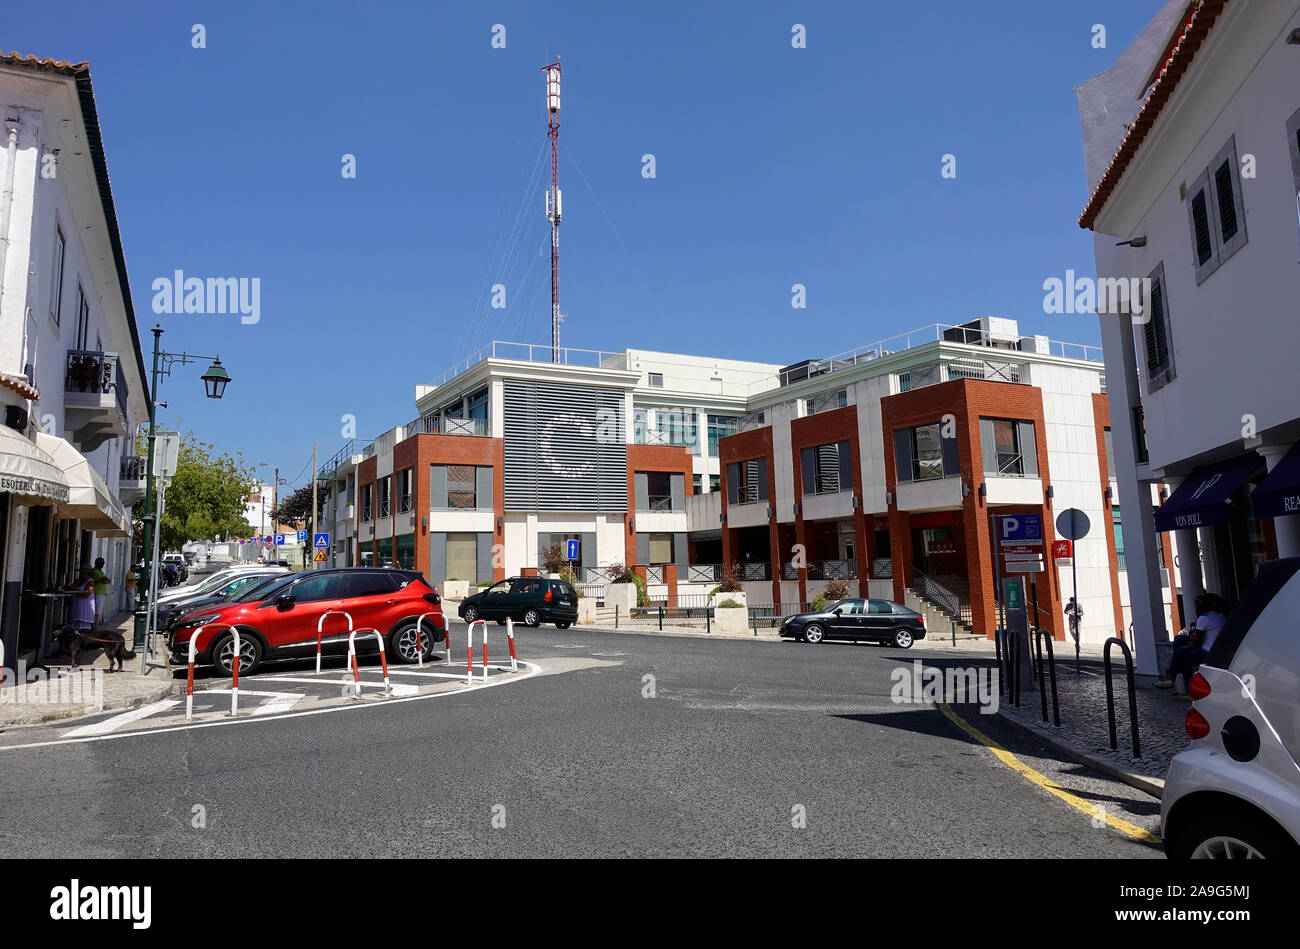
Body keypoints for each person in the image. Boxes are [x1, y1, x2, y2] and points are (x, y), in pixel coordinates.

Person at [1155, 593, 1228, 693]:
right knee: (1179, 639)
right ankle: (1172, 673)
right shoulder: (1220, 616)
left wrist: (1190, 642)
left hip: (1207, 651)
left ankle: (1172, 677)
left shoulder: (1203, 618)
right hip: (1215, 648)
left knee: (1183, 655)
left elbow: (1198, 640)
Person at [67, 566, 96, 634]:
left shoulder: (90, 582)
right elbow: (70, 588)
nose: (81, 574)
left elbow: (86, 594)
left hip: (85, 607)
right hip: (76, 605)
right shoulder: (78, 580)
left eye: (83, 573)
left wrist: (73, 588)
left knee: (83, 629)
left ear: (87, 573)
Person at [90, 557, 111, 630]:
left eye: (103, 563)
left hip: (101, 593)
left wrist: (106, 580)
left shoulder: (100, 571)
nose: (102, 565)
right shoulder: (95, 571)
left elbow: (108, 580)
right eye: (101, 563)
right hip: (98, 593)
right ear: (96, 563)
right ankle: (94, 627)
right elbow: (104, 580)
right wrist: (105, 580)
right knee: (97, 611)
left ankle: (96, 626)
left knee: (99, 611)